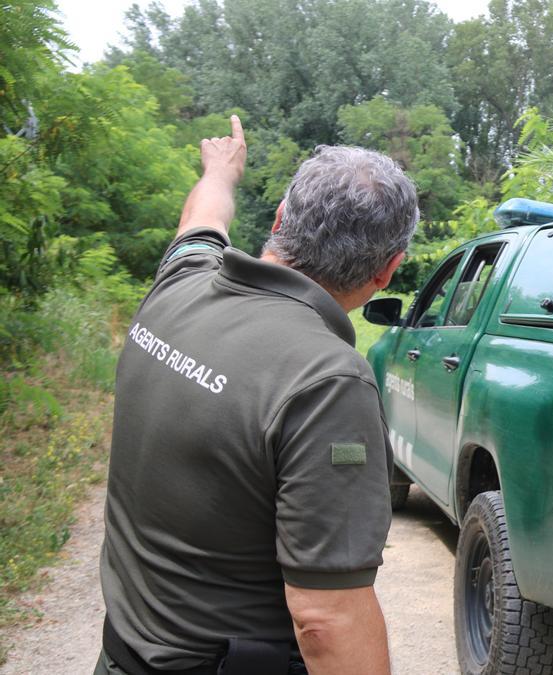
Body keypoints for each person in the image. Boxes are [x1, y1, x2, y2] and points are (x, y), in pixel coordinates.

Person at [95, 116, 418, 675]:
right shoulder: (327, 382)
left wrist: (221, 171)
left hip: (119, 655)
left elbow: (203, 216)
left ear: (279, 220)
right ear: (388, 271)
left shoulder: (182, 281)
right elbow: (325, 618)